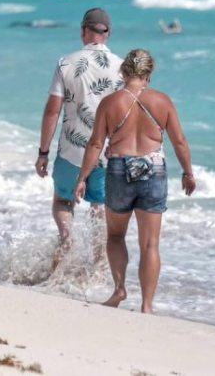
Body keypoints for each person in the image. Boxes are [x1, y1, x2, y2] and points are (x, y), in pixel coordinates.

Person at [75, 48, 195, 314]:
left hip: (119, 169)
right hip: (154, 171)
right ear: (148, 74)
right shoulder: (162, 101)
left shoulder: (110, 102)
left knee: (115, 235)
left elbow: (96, 143)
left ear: (124, 71)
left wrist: (82, 177)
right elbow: (179, 141)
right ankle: (147, 305)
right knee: (150, 244)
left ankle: (119, 288)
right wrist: (188, 172)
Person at [36, 8, 123, 268]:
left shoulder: (66, 63)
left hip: (71, 150)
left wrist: (43, 152)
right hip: (106, 152)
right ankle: (97, 265)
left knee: (63, 201)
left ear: (84, 31)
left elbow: (53, 110)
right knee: (99, 205)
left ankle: (67, 237)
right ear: (108, 33)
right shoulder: (120, 67)